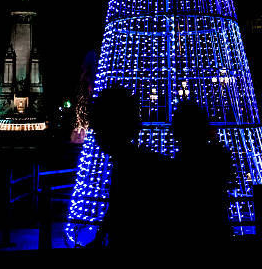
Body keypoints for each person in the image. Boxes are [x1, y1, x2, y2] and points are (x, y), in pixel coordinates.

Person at [88, 85, 171, 253]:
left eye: (98, 130)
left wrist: (100, 238)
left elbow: (120, 208)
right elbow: (116, 208)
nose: (95, 137)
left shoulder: (130, 164)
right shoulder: (132, 160)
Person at [169, 100, 234, 248]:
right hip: (215, 224)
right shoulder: (217, 154)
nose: (173, 129)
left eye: (176, 123)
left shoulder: (185, 160)